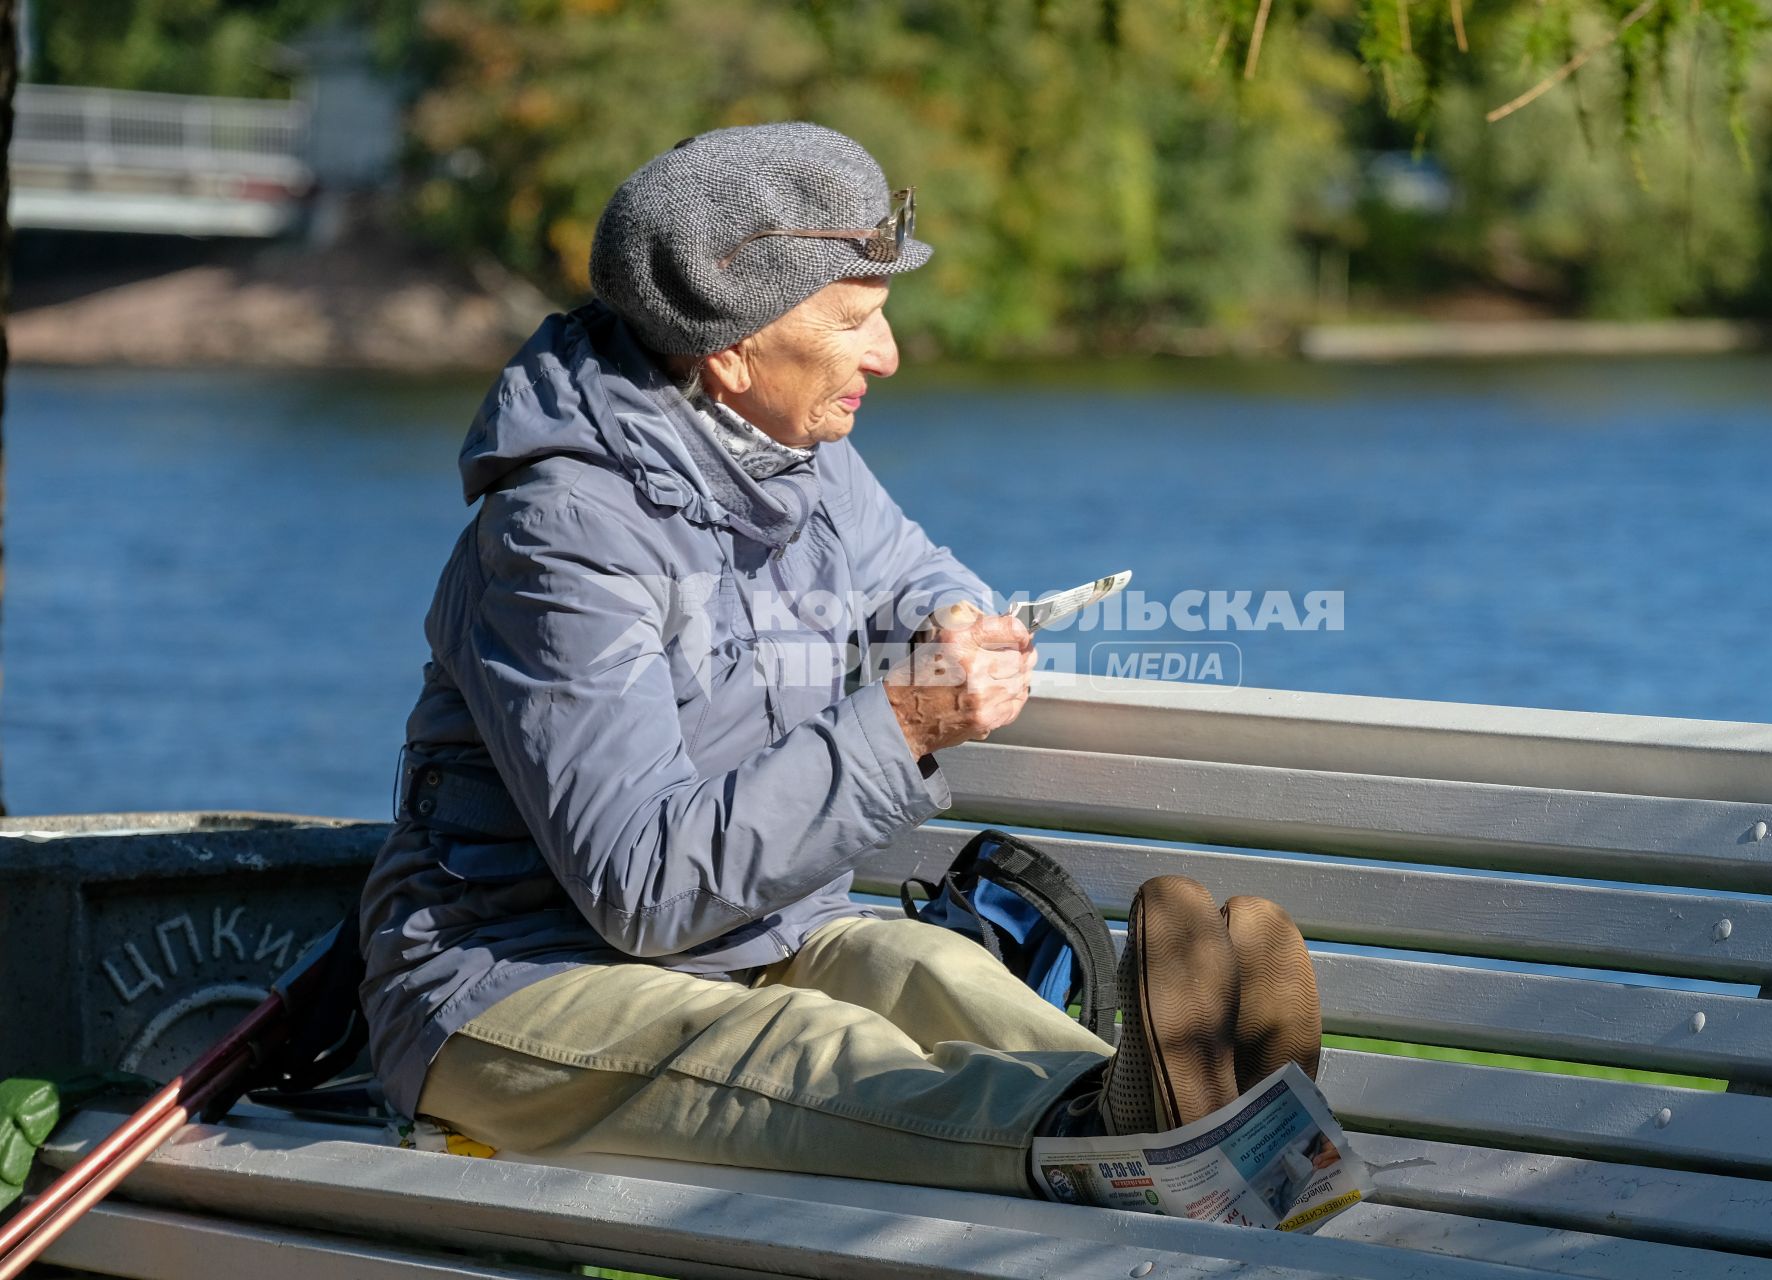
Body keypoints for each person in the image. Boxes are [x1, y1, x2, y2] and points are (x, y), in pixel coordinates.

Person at [358, 122, 1321, 1197]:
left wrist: (955, 619)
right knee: (801, 1046)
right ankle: (1125, 1137)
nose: (888, 355)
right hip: (514, 986)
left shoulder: (797, 453)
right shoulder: (561, 537)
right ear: (730, 346)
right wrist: (904, 722)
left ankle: (1198, 1115)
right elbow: (645, 887)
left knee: (928, 965)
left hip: (759, 932)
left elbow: (911, 570)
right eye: (855, 322)